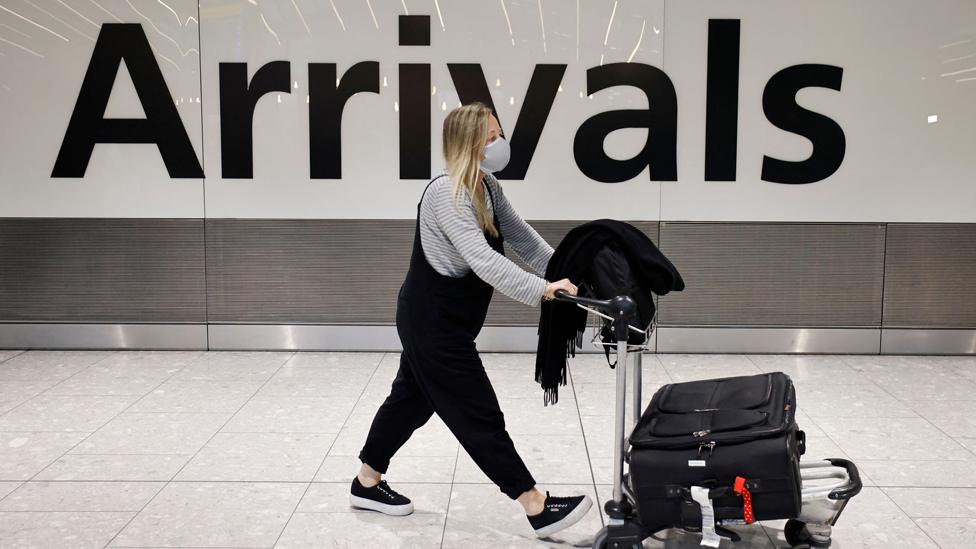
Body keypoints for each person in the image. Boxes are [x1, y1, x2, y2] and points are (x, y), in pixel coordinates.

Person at [350, 102, 591, 537]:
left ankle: (366, 482)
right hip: (431, 321)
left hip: (449, 322)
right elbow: (481, 259)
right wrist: (541, 290)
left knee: (411, 400)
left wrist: (568, 273)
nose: (501, 143)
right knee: (475, 410)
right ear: (471, 143)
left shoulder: (488, 187)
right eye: (493, 135)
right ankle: (534, 503)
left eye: (500, 133)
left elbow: (524, 239)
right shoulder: (447, 193)